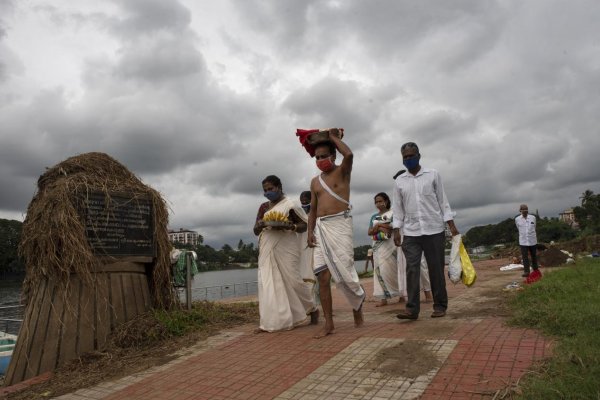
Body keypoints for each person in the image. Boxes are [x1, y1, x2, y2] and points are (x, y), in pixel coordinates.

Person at [307, 128, 365, 338]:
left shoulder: (343, 171)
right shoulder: (315, 182)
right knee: (322, 277)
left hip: (340, 225)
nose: (320, 159)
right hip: (321, 228)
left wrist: (333, 137)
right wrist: (309, 231)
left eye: (324, 156)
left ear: (333, 155)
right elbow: (312, 209)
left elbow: (349, 154)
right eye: (317, 157)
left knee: (346, 273)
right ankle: (329, 323)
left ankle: (357, 309)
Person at [392, 142, 459, 320]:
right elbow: (398, 208)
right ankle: (412, 309)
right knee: (412, 269)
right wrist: (396, 230)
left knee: (435, 269)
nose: (408, 159)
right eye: (405, 157)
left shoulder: (433, 175)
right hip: (411, 232)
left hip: (434, 229)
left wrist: (451, 225)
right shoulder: (400, 181)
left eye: (411, 155)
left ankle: (440, 305)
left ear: (419, 156)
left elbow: (443, 201)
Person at [253, 175, 317, 332]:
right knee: (268, 283)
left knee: (294, 280)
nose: (268, 192)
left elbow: (304, 224)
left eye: (270, 189)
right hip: (267, 246)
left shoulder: (291, 204)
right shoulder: (263, 207)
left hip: (287, 246)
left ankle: (312, 309)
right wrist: (260, 225)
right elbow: (255, 230)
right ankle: (270, 322)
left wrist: (291, 226)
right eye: (265, 190)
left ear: (279, 187)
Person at [393, 169, 433, 304]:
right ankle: (403, 294)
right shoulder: (397, 197)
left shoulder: (416, 194)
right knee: (403, 265)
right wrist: (396, 231)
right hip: (402, 234)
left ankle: (428, 293)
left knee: (421, 264)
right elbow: (396, 217)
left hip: (416, 232)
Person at [368, 192, 401, 307]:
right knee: (380, 271)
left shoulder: (393, 213)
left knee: (395, 270)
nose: (378, 203)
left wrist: (378, 226)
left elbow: (393, 227)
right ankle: (383, 299)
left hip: (391, 247)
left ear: (386, 201)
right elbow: (369, 232)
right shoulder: (373, 216)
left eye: (380, 201)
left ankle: (401, 294)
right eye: (376, 202)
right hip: (378, 248)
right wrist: (379, 227)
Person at [299, 191, 320, 323]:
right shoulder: (299, 214)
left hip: (314, 248)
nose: (304, 201)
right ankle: (308, 308)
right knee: (302, 279)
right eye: (302, 199)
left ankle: (313, 309)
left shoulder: (317, 214)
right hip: (301, 250)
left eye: (306, 199)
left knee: (313, 279)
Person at [515, 204, 539, 277]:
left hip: (532, 240)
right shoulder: (517, 219)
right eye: (523, 210)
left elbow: (534, 227)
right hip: (523, 241)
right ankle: (526, 272)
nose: (525, 212)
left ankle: (536, 270)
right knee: (525, 256)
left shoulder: (533, 218)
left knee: (534, 256)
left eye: (526, 210)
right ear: (520, 211)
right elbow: (518, 228)